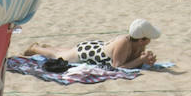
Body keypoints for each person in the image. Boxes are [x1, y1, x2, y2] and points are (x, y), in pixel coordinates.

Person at [21, 19, 161, 70]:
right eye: (148, 38)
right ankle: (35, 48)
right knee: (59, 55)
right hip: (90, 53)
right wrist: (140, 60)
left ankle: (46, 47)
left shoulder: (138, 44)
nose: (150, 41)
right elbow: (118, 67)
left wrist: (143, 59)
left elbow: (131, 60)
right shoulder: (124, 43)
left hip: (99, 47)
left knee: (68, 50)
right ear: (142, 39)